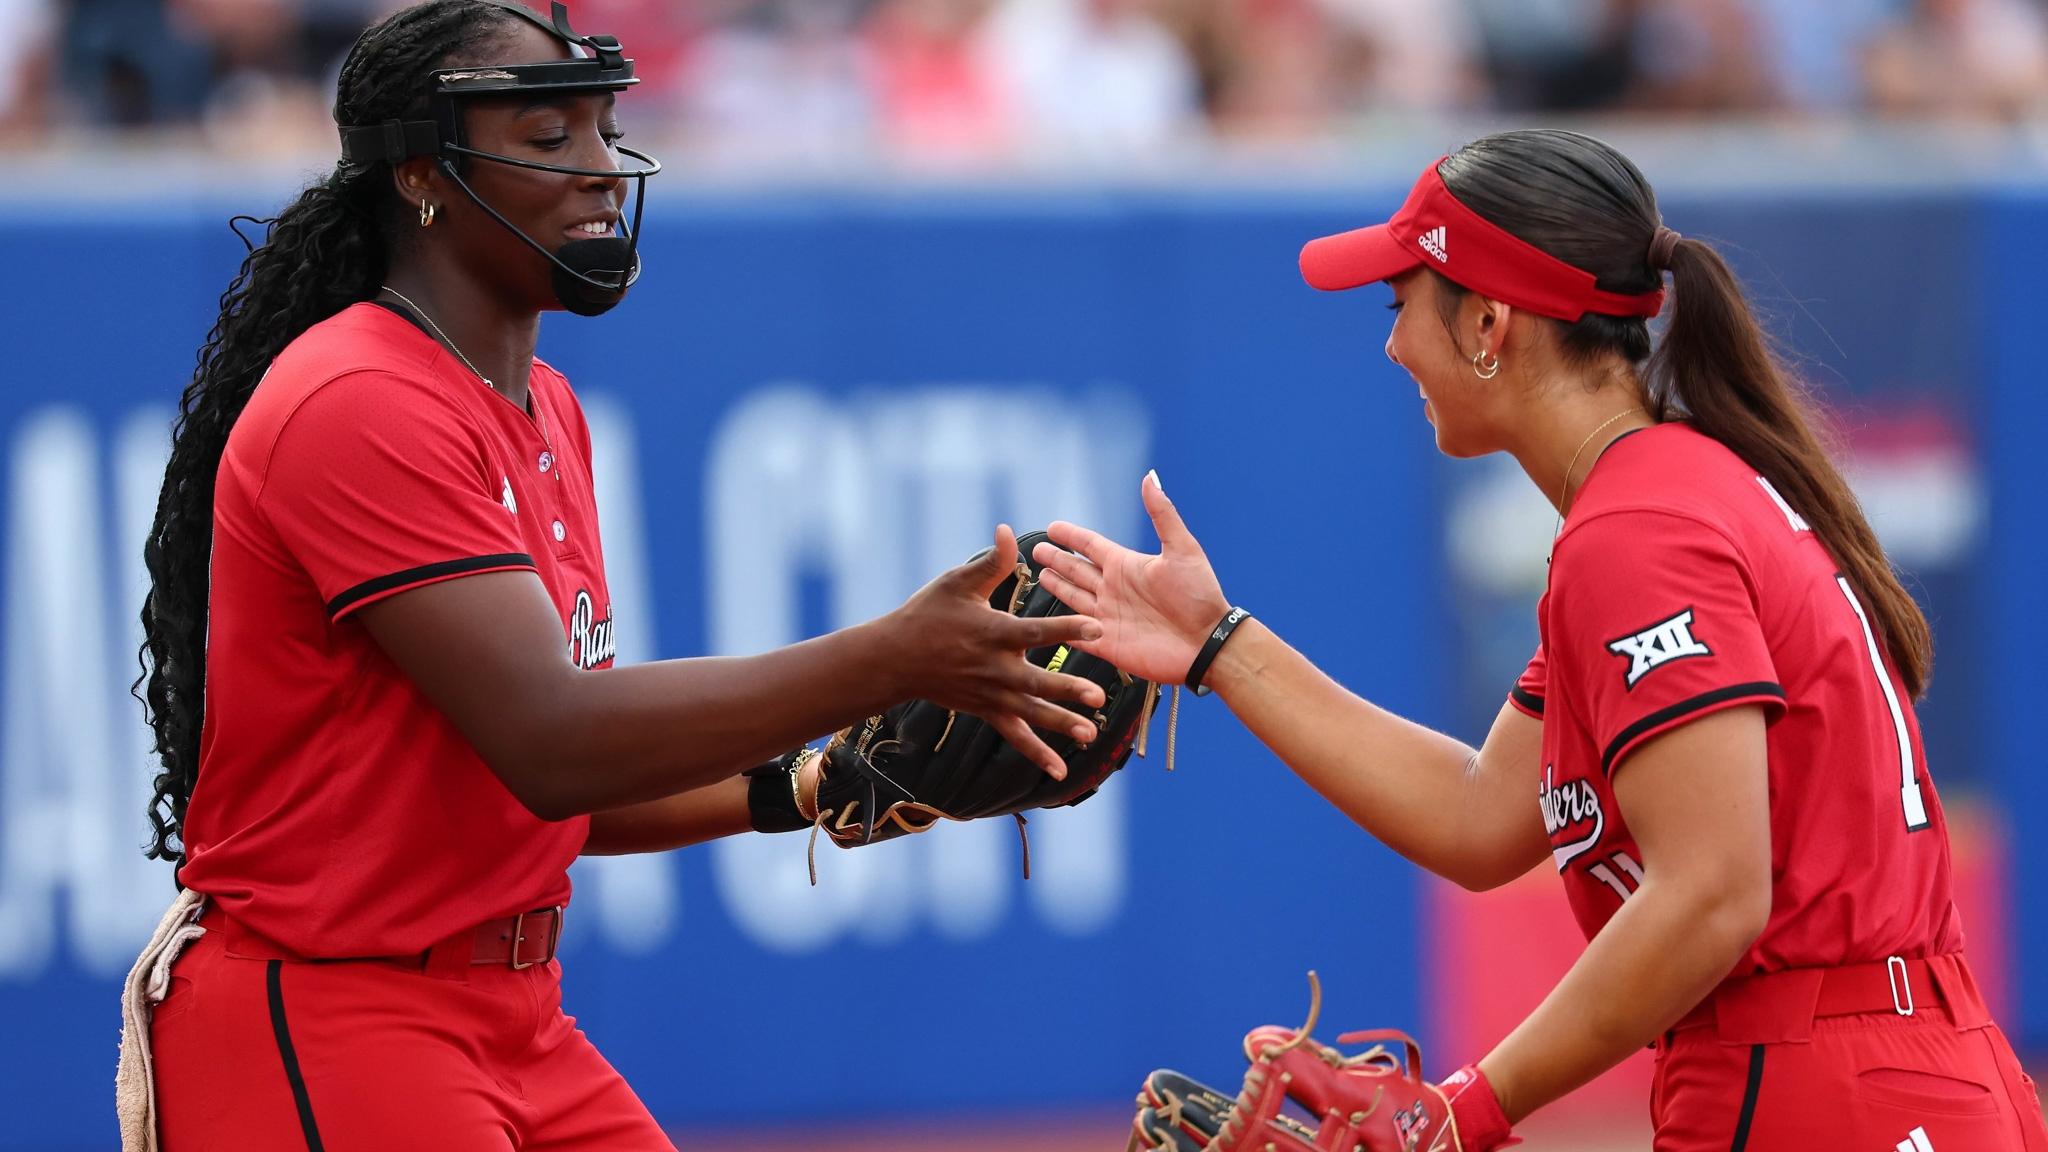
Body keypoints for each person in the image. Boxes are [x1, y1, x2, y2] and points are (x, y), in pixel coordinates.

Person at [129, 2, 1106, 1147]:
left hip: (511, 1011)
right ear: (419, 175)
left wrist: (799, 786)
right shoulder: (358, 400)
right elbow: (554, 741)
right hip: (336, 1006)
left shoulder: (548, 408)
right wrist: (893, 659)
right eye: (549, 140)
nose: (600, 171)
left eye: (602, 131)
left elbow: (555, 789)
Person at [1033, 130, 2048, 1151]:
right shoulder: (1663, 494)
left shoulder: (1635, 530)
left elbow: (1710, 893)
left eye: (1401, 308)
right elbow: (1480, 817)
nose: (1391, 347)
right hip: (1887, 1069)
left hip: (1818, 1090)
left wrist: (1461, 1109)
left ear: (1485, 322)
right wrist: (1218, 645)